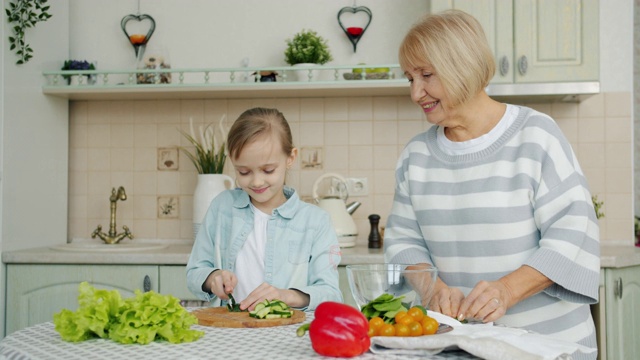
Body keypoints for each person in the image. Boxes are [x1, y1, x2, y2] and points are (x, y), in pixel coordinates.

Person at [384, 10, 599, 358]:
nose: (415, 92)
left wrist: (507, 291)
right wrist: (432, 288)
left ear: (462, 66)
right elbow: (401, 243)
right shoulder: (416, 155)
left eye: (426, 75)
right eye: (410, 78)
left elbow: (574, 232)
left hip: (547, 348)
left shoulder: (536, 135)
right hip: (458, 347)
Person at [186, 107, 343, 311]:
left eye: (268, 170)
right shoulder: (222, 207)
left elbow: (331, 293)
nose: (256, 181)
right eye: (243, 172)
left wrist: (286, 296)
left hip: (287, 334)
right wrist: (213, 278)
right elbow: (194, 272)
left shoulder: (315, 221)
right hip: (229, 330)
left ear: (290, 158)